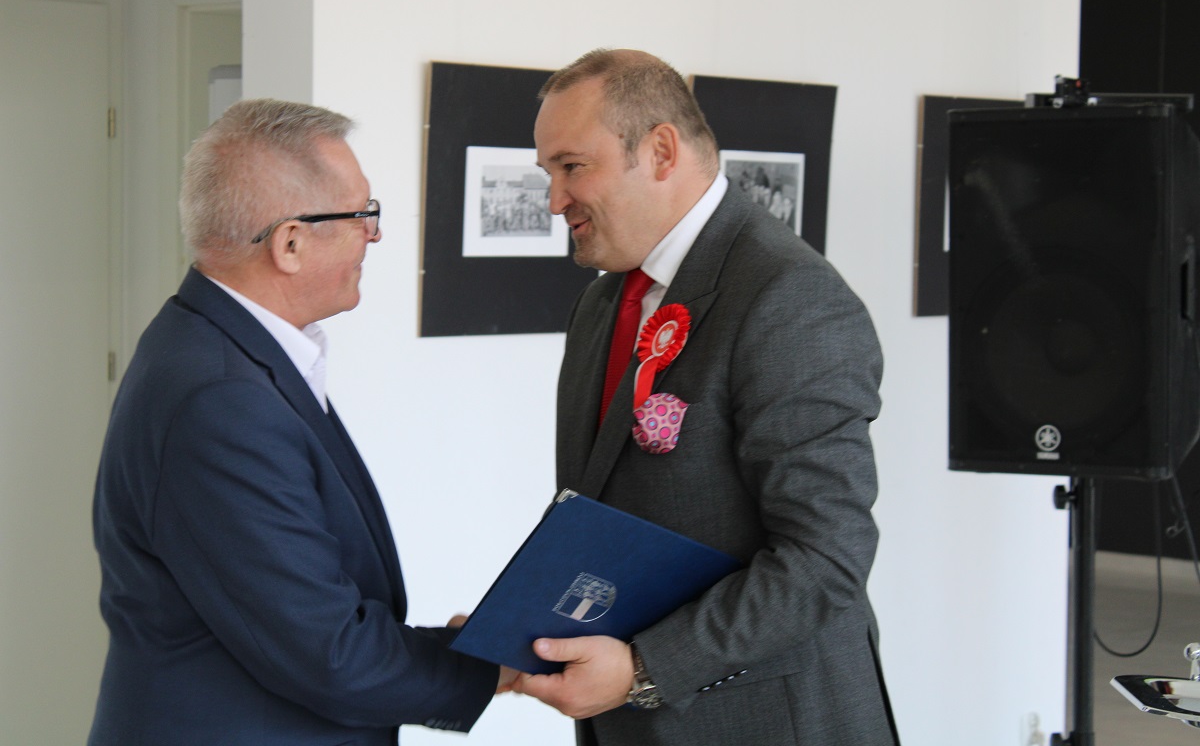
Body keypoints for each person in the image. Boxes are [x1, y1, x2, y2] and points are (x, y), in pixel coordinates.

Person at [89, 99, 511, 745]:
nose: (374, 235)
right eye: (362, 215)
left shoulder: (213, 345)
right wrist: (486, 665)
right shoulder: (221, 398)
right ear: (290, 242)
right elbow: (330, 654)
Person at [514, 49, 898, 745]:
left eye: (573, 167)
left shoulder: (790, 298)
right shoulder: (603, 302)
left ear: (661, 151)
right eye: (549, 174)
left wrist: (644, 670)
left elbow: (826, 559)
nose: (554, 200)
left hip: (765, 724)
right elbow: (603, 513)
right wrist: (523, 628)